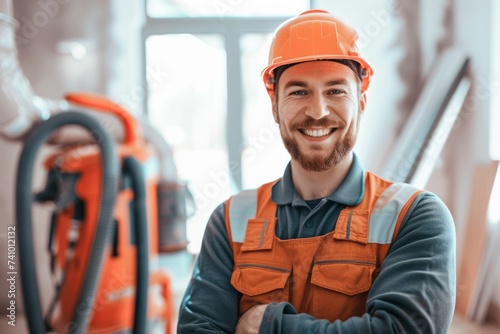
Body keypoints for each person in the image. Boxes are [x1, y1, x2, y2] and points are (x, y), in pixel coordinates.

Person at [178, 9, 456, 334]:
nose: (318, 112)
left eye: (335, 90)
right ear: (274, 107)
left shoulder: (416, 216)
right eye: (298, 92)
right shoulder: (229, 221)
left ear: (362, 101)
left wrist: (270, 324)